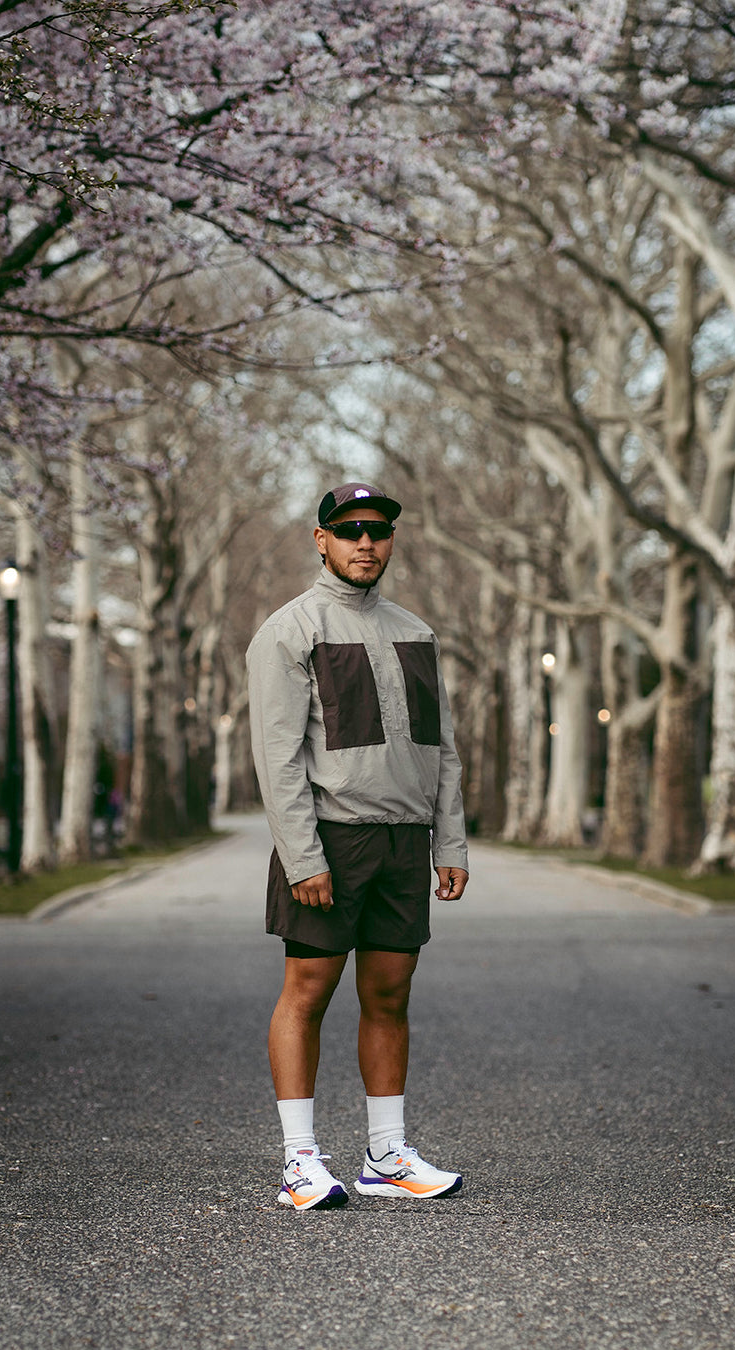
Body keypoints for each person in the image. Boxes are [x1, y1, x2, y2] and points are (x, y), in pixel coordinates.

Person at [246, 481, 469, 1211]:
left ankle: (386, 1154)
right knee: (307, 992)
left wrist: (450, 842)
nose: (365, 542)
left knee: (389, 994)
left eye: (377, 530)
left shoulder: (416, 632)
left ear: (392, 540)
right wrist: (303, 857)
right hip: (331, 841)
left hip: (404, 842)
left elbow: (443, 748)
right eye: (349, 531)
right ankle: (299, 1162)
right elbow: (278, 758)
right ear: (322, 540)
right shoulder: (290, 631)